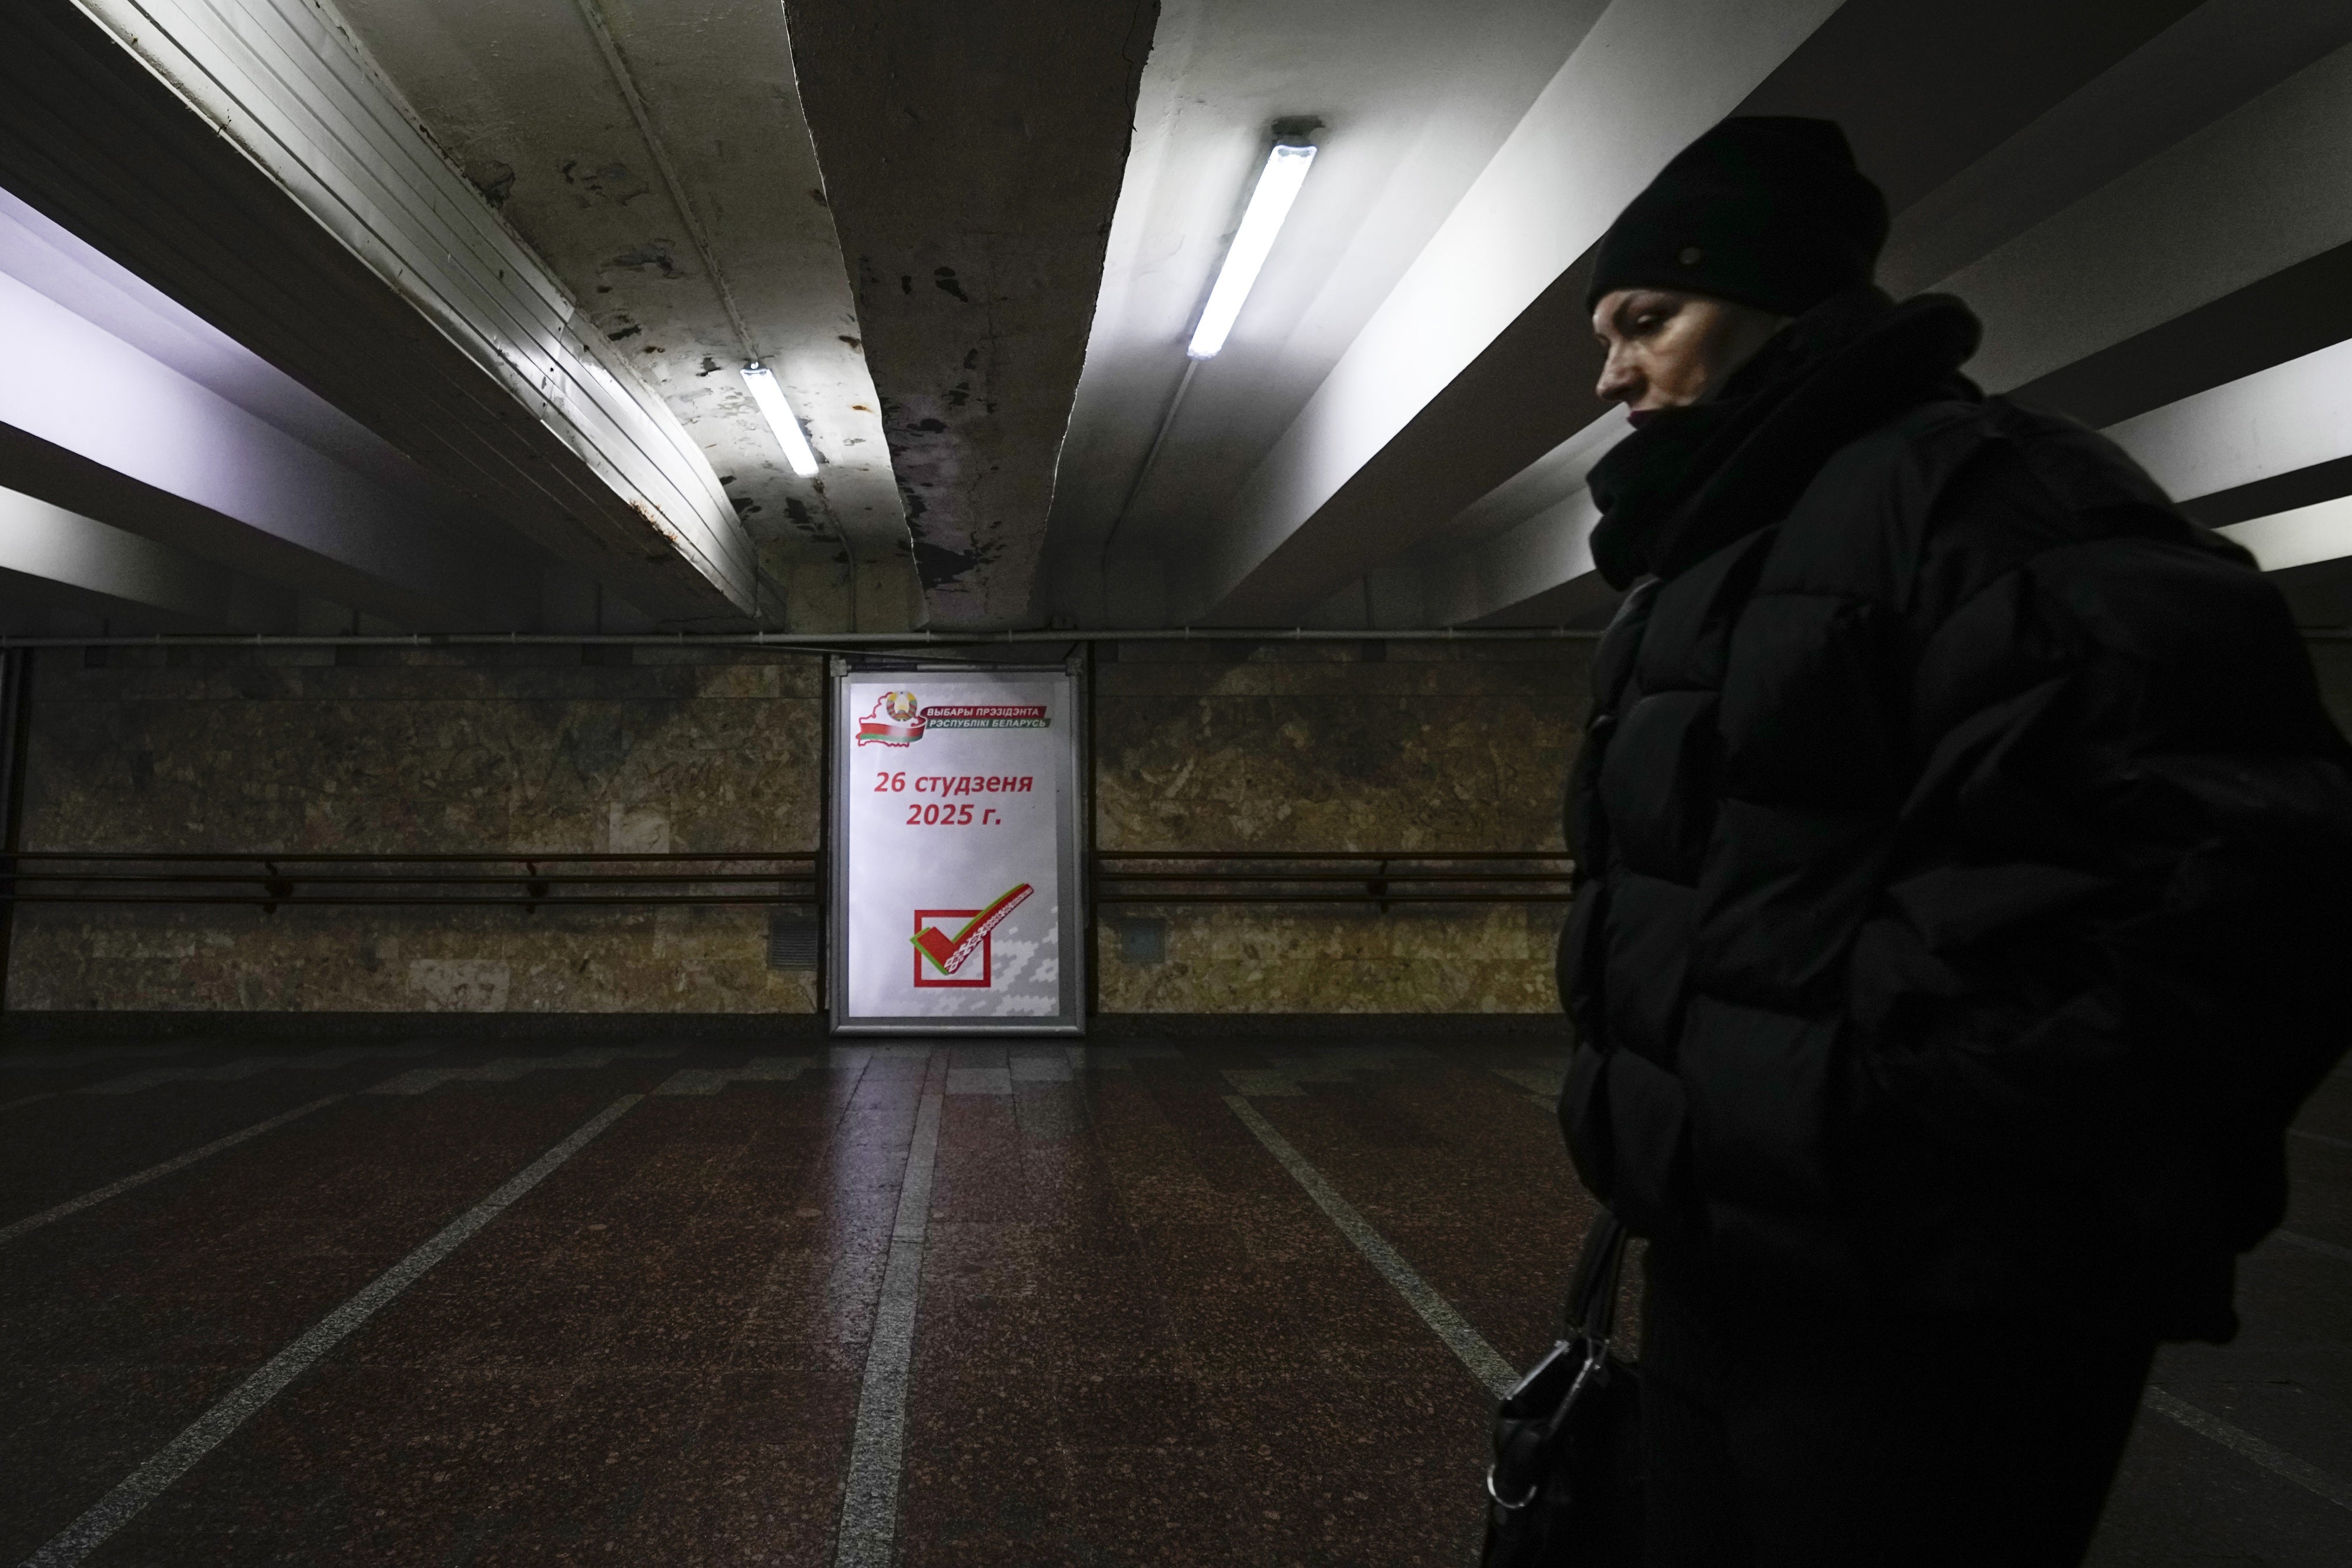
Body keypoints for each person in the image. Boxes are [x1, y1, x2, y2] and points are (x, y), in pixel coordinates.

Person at [1555, 116, 2352, 1567]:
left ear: (1778, 300)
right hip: (1728, 1249)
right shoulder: (1700, 567)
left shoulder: (2001, 503)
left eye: (1645, 320)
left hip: (1935, 1279)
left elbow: (2240, 868)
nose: (1610, 371)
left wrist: (1902, 1111)